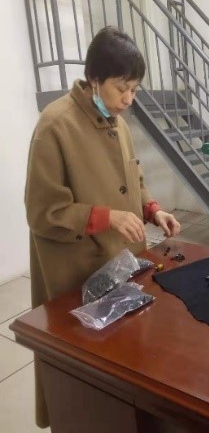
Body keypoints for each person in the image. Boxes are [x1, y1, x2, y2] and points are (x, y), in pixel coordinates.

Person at [24, 26, 180, 428]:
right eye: (121, 88)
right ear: (94, 78)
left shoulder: (118, 122)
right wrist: (107, 217)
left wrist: (153, 210)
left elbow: (133, 178)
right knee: (85, 385)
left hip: (119, 266)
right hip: (76, 272)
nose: (128, 99)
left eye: (135, 90)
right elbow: (42, 211)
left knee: (127, 369)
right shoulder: (55, 125)